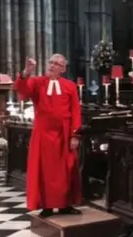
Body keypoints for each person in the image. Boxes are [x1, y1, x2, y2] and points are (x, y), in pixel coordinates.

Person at [14, 54, 82, 217]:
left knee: (67, 168)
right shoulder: (37, 82)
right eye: (50, 62)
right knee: (45, 169)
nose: (52, 66)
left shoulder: (70, 86)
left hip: (65, 132)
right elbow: (22, 91)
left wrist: (75, 134)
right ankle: (48, 206)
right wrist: (26, 72)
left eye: (57, 64)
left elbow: (75, 110)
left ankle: (66, 204)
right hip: (43, 132)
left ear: (63, 69)